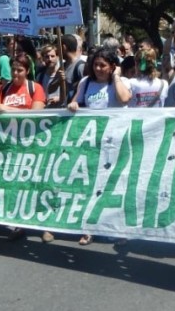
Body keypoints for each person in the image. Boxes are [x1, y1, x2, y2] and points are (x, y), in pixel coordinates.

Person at [0, 52, 56, 243]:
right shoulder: (6, 88)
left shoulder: (35, 88)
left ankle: (46, 226)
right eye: (13, 70)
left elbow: (36, 115)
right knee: (17, 185)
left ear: (27, 71)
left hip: (33, 145)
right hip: (11, 145)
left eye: (20, 70)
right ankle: (20, 223)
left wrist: (8, 109)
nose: (15, 74)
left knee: (38, 185)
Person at [67, 48, 131, 245]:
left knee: (115, 185)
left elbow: (125, 99)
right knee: (92, 185)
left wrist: (117, 77)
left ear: (112, 66)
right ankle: (89, 228)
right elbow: (75, 102)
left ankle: (119, 229)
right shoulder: (86, 83)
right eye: (96, 65)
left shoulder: (121, 82)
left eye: (103, 65)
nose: (99, 69)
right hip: (93, 144)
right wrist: (74, 105)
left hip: (116, 142)